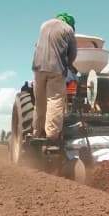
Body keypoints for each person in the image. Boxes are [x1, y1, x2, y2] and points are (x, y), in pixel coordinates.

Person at [31, 12, 77, 142]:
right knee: (55, 100)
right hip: (56, 69)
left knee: (40, 101)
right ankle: (51, 135)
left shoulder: (44, 25)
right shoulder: (67, 29)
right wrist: (69, 64)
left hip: (38, 68)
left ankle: (37, 132)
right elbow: (73, 53)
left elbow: (37, 45)